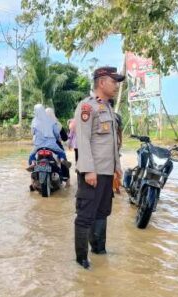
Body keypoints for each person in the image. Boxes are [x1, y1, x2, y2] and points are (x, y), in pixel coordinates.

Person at [73, 66, 123, 269]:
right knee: (85, 216)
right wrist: (88, 170)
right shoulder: (87, 107)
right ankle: (81, 259)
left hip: (106, 172)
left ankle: (99, 249)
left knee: (102, 212)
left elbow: (112, 142)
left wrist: (117, 167)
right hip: (92, 173)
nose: (117, 85)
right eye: (114, 81)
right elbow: (83, 140)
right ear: (102, 82)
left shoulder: (109, 108)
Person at [28, 104, 71, 174]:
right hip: (51, 144)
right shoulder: (52, 121)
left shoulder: (34, 121)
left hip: (38, 145)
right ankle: (62, 160)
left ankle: (33, 163)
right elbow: (57, 133)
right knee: (61, 152)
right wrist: (57, 138)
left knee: (31, 155)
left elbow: (33, 133)